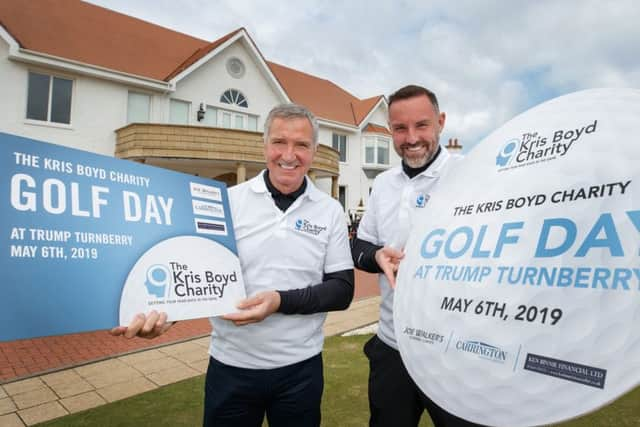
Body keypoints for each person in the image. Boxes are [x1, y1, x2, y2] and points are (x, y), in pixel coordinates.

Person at [112, 103, 354, 427]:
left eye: (301, 145)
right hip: (231, 368)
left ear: (313, 151)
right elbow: (193, 273)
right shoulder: (226, 202)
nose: (288, 154)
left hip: (301, 369)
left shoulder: (330, 210)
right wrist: (164, 314)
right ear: (264, 145)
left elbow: (342, 290)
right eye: (279, 142)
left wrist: (279, 301)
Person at [351, 85, 482, 427]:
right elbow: (359, 247)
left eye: (421, 125)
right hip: (393, 347)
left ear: (440, 122)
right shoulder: (383, 184)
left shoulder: (472, 175)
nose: (411, 138)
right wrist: (377, 255)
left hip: (454, 350)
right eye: (400, 128)